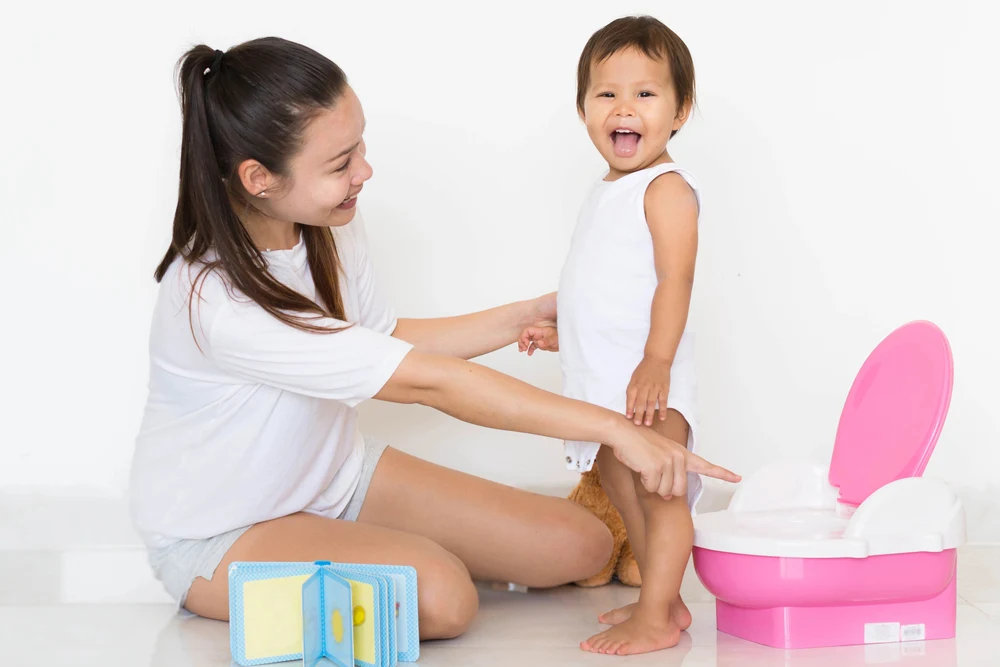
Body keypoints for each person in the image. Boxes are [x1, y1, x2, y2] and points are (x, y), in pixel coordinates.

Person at [130, 36, 739, 641]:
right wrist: (612, 428)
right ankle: (340, 564)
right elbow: (424, 380)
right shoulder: (214, 303)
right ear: (259, 177)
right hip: (221, 531)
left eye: (359, 146)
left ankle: (366, 549)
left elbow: (382, 338)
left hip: (333, 478)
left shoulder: (325, 223)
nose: (364, 171)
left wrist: (531, 314)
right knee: (443, 598)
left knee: (583, 545)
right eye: (341, 164)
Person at [519, 15, 706, 655]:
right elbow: (604, 290)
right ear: (583, 109)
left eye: (646, 94)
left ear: (680, 111)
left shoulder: (665, 188)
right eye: (607, 94)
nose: (624, 107)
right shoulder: (607, 191)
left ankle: (655, 613)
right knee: (626, 492)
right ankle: (665, 601)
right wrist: (564, 335)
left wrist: (657, 360)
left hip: (647, 381)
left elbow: (674, 280)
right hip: (605, 382)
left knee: (659, 494)